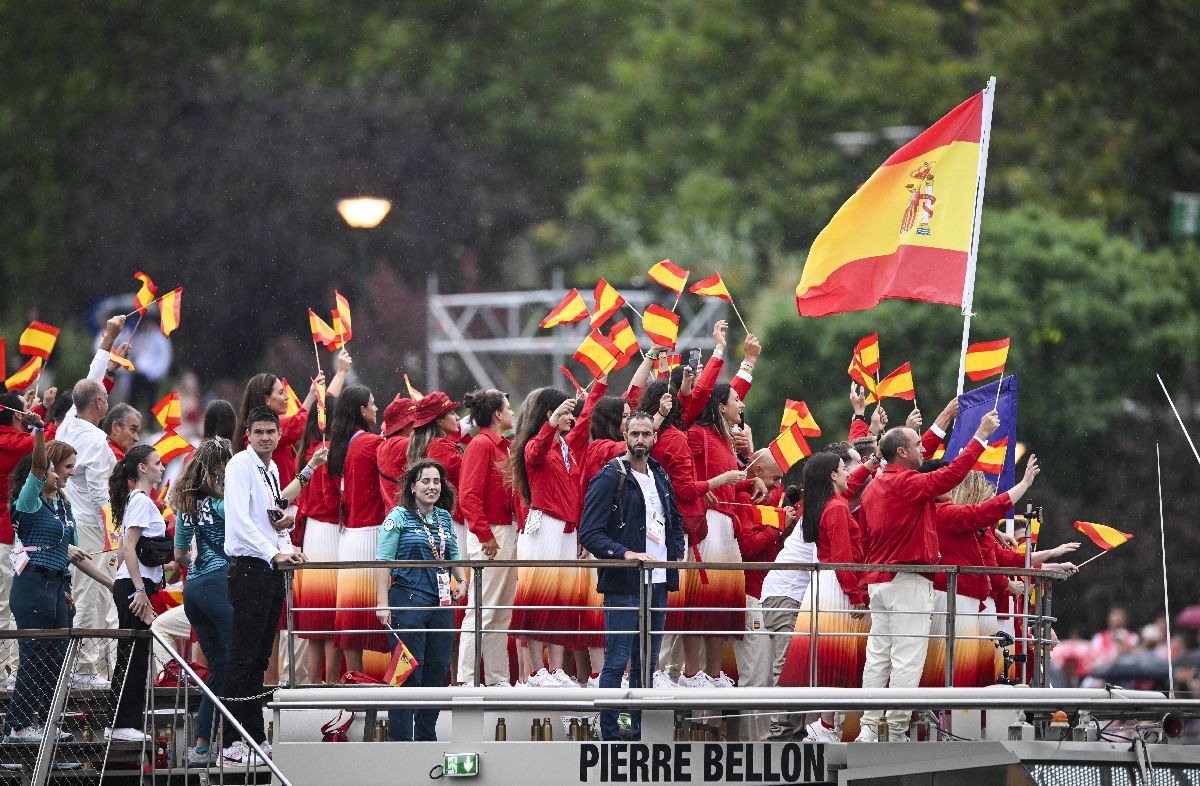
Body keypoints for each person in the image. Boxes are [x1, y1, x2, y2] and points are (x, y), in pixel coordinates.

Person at [854, 411, 998, 743]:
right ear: (902, 452)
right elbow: (951, 476)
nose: (923, 451)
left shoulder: (873, 488)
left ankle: (869, 728)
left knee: (878, 658)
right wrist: (980, 436)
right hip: (907, 580)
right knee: (907, 659)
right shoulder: (907, 483)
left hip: (879, 581)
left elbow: (863, 539)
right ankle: (896, 730)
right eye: (918, 445)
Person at [221, 406, 327, 766]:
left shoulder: (271, 469)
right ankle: (233, 738)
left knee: (261, 658)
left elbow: (270, 519)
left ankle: (254, 734)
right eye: (259, 432)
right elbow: (238, 522)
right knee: (243, 656)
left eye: (271, 431)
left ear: (279, 435)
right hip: (248, 568)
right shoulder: (239, 465)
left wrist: (288, 549)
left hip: (268, 567)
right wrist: (273, 551)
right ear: (248, 434)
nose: (266, 437)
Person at [4, 417, 111, 743]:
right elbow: (37, 467)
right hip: (33, 586)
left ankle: (48, 728)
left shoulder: (63, 506)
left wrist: (112, 584)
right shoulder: (29, 501)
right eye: (60, 468)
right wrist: (37, 431)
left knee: (55, 663)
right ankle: (19, 727)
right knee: (34, 658)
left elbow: (75, 555)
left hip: (57, 588)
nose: (66, 473)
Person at [579, 412, 684, 741]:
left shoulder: (660, 475)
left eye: (647, 434)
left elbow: (674, 520)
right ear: (625, 434)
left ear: (654, 436)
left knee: (647, 664)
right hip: (626, 583)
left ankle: (639, 733)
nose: (641, 440)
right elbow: (589, 532)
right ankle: (609, 733)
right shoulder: (611, 476)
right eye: (635, 433)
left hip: (659, 584)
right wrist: (626, 554)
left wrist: (675, 553)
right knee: (616, 660)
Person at [509, 384, 598, 687]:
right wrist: (550, 423)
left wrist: (597, 384)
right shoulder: (536, 445)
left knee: (561, 599)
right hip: (544, 527)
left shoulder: (566, 448)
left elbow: (585, 422)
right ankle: (536, 672)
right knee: (540, 598)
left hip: (566, 531)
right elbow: (533, 454)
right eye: (564, 412)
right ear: (550, 414)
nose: (570, 417)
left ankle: (556, 669)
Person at [374, 459, 466, 741]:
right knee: (407, 671)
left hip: (441, 604)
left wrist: (461, 581)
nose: (432, 487)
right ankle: (401, 741)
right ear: (412, 486)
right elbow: (383, 562)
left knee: (437, 671)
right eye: (425, 481)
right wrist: (382, 603)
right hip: (407, 601)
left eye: (436, 481)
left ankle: (427, 736)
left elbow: (452, 553)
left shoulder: (444, 517)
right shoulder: (398, 517)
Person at [57, 314, 126, 687]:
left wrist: (108, 339)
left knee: (91, 595)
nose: (107, 398)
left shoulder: (69, 422)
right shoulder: (97, 443)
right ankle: (84, 672)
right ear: (100, 404)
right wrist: (116, 538)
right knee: (91, 595)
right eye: (106, 398)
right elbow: (104, 497)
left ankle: (93, 666)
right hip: (91, 526)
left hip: (75, 522)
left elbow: (92, 378)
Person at [785, 452, 870, 743]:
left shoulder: (829, 505)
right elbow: (843, 556)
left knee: (833, 657)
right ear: (833, 476)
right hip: (837, 584)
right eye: (844, 469)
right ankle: (826, 724)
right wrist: (855, 593)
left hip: (828, 582)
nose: (849, 474)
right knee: (836, 656)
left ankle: (827, 724)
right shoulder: (835, 508)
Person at [170, 437, 234, 766]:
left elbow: (179, 554)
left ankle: (201, 744)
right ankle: (236, 740)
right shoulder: (224, 504)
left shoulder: (187, 507)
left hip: (193, 589)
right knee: (236, 663)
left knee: (219, 666)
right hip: (221, 584)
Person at [107, 445, 171, 742]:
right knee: (133, 653)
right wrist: (139, 590)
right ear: (143, 469)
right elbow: (129, 548)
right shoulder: (142, 502)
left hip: (134, 583)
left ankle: (123, 721)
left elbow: (125, 550)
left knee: (133, 651)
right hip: (136, 585)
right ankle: (122, 722)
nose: (162, 467)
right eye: (157, 463)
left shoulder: (140, 501)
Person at [327, 385, 390, 674]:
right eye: (373, 404)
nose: (377, 409)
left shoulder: (345, 443)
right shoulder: (371, 443)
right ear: (362, 411)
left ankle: (353, 679)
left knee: (353, 620)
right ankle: (373, 686)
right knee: (378, 618)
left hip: (349, 538)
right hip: (371, 535)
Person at [455, 389, 516, 687]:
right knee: (481, 609)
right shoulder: (481, 445)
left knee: (501, 611)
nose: (512, 413)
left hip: (504, 529)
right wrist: (484, 533)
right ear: (497, 414)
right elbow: (468, 495)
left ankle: (496, 678)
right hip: (492, 532)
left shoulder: (501, 445)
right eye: (508, 408)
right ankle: (466, 680)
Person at [292, 394, 343, 684]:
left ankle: (314, 682)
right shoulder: (330, 452)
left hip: (313, 531)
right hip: (330, 530)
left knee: (316, 616)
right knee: (332, 615)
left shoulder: (308, 450)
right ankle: (332, 682)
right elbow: (333, 497)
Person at [0, 392, 34, 685]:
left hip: (6, 535)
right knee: (5, 606)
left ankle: (6, 670)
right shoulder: (15, 442)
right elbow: (51, 443)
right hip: (6, 535)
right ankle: (3, 673)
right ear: (17, 416)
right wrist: (40, 420)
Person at [377, 395, 416, 505]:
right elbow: (434, 445)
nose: (420, 426)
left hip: (396, 515)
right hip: (407, 518)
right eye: (416, 422)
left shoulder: (386, 445)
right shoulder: (400, 444)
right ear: (405, 426)